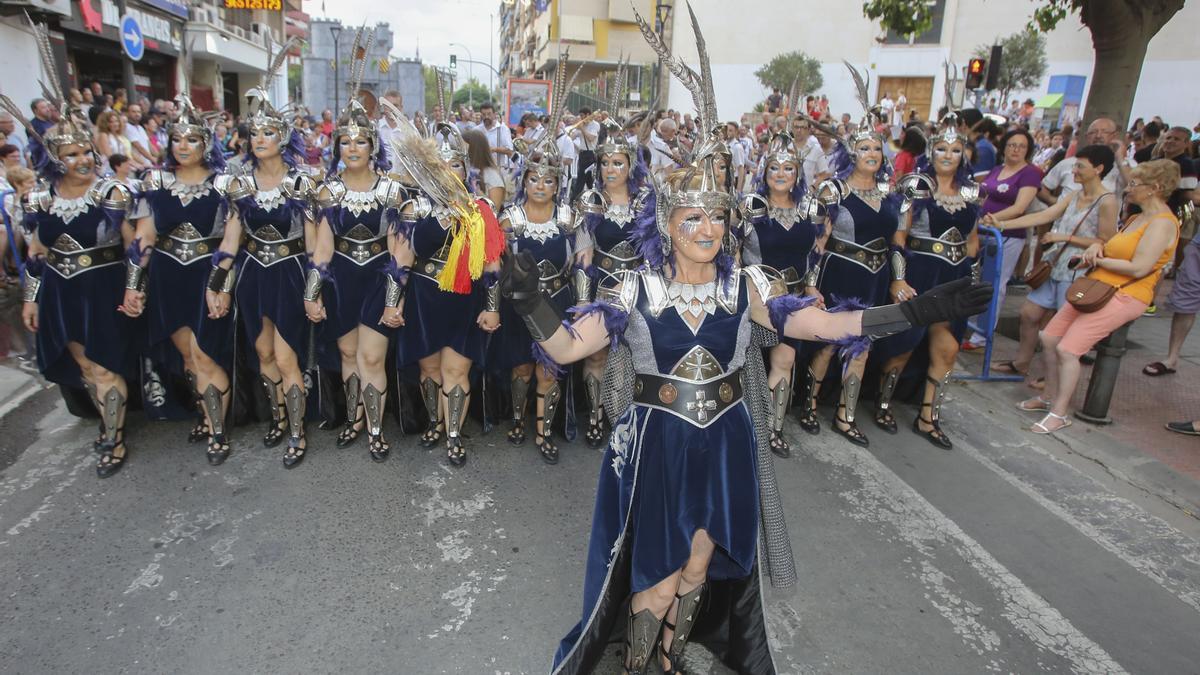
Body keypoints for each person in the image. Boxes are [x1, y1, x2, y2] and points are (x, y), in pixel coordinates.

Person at [531, 12, 992, 673]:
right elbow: (569, 347)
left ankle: (669, 653)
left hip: (724, 441)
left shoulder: (745, 286)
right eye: (692, 217)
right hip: (658, 446)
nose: (707, 228)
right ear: (666, 223)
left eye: (716, 217)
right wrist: (524, 297)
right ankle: (636, 662)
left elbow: (824, 324)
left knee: (699, 563)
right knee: (657, 573)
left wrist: (918, 309)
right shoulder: (635, 287)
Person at [16, 26, 139, 478]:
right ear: (55, 159)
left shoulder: (113, 192)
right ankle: (108, 423)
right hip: (60, 290)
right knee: (85, 364)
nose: (83, 159)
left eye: (86, 150)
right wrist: (31, 297)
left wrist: (133, 291)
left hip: (102, 287)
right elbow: (36, 251)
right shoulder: (40, 200)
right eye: (71, 154)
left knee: (105, 364)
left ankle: (114, 437)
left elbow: (134, 247)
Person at [1017, 160, 1181, 434]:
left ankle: (1059, 413)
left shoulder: (1163, 223)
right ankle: (1048, 398)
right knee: (1049, 337)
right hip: (1096, 288)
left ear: (1154, 188)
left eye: (1134, 184)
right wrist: (1094, 251)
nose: (1127, 189)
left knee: (1068, 350)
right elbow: (1111, 248)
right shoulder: (1135, 217)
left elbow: (1140, 267)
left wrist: (1099, 261)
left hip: (1125, 294)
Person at [122, 92, 240, 464]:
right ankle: (205, 416)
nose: (183, 145)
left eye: (192, 139)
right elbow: (144, 239)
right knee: (188, 356)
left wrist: (220, 285)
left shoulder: (226, 185)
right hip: (168, 278)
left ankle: (218, 429)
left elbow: (232, 240)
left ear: (207, 144)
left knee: (206, 355)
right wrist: (134, 286)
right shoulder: (154, 182)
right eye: (176, 139)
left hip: (208, 277)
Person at [389, 106, 504, 469]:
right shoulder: (413, 208)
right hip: (424, 299)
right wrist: (394, 304)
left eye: (454, 165)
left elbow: (492, 264)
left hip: (464, 300)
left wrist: (492, 305)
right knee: (429, 371)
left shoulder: (480, 209)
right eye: (439, 165)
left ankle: (454, 434)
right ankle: (435, 425)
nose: (447, 172)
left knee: (456, 372)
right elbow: (401, 260)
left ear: (465, 169)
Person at [308, 80, 409, 462]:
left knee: (371, 358)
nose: (352, 149)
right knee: (349, 355)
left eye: (360, 142)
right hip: (341, 279)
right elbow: (322, 245)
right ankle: (354, 419)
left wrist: (394, 298)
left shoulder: (391, 191)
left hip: (379, 281)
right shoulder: (328, 191)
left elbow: (400, 249)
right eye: (345, 143)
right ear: (338, 148)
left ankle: (376, 428)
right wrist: (312, 291)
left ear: (373, 147)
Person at [223, 63, 319, 468]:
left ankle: (297, 431)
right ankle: (278, 416)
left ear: (284, 137)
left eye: (268, 133)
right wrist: (218, 283)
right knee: (262, 352)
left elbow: (316, 246)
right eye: (254, 133)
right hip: (251, 274)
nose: (259, 139)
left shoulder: (303, 181)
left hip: (290, 272)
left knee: (285, 357)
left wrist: (314, 290)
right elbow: (231, 237)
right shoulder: (239, 179)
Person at [798, 66, 900, 447]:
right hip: (839, 273)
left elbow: (897, 243)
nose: (871, 153)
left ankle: (846, 414)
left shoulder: (891, 195)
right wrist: (810, 284)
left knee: (864, 345)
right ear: (851, 153)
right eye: (864, 148)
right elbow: (817, 242)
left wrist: (898, 277)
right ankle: (809, 405)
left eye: (876, 148)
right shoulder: (833, 191)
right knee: (829, 342)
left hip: (875, 276)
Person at [492, 84, 589, 464]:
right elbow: (495, 266)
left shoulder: (569, 217)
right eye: (534, 179)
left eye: (549, 181)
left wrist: (582, 305)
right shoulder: (510, 219)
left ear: (557, 184)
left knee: (549, 369)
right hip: (520, 303)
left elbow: (583, 260)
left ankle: (543, 430)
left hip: (558, 299)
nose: (541, 187)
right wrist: (495, 304)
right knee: (521, 366)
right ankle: (517, 419)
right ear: (525, 180)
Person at [872, 115, 982, 448]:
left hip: (955, 277)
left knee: (947, 348)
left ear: (964, 155)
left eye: (956, 150)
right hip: (920, 276)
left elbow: (973, 242)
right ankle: (882, 404)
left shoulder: (971, 192)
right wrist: (899, 279)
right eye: (942, 149)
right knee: (903, 346)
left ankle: (927, 416)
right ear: (931, 153)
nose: (948, 155)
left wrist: (971, 282)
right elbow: (899, 238)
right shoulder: (915, 187)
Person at [988, 145, 1119, 378]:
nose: (1074, 171)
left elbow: (1106, 242)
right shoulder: (1074, 194)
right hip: (1056, 265)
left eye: (1080, 166)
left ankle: (1051, 380)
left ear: (1099, 169)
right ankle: (1022, 363)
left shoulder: (1107, 201)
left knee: (1061, 330)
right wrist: (1003, 224)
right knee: (1029, 314)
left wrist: (1065, 237)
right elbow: (1044, 215)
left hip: (1078, 271)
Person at [738, 116, 827, 458]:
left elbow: (814, 254)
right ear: (765, 172)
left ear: (796, 175)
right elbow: (732, 255)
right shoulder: (750, 209)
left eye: (788, 169)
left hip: (792, 298)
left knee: (786, 358)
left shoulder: (809, 210)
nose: (780, 174)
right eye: (774, 168)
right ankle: (744, 424)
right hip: (755, 299)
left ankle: (773, 428)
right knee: (746, 363)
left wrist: (812, 289)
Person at [573, 72, 653, 449]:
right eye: (605, 163)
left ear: (630, 165)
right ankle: (595, 416)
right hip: (603, 287)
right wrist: (585, 301)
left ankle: (630, 417)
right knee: (598, 353)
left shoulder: (644, 202)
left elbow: (656, 250)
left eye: (618, 163)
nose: (610, 170)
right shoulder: (592, 201)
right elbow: (584, 255)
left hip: (639, 289)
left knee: (637, 355)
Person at [964, 128, 1042, 350]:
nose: (1015, 149)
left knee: (995, 285)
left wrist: (991, 219)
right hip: (982, 233)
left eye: (1021, 146)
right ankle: (973, 328)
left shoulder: (1030, 173)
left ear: (1028, 150)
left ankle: (982, 337)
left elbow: (1020, 207)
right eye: (1011, 144)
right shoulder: (997, 169)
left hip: (1006, 235)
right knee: (977, 281)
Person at [1141, 127, 1199, 375]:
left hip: (1169, 224)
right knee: (1186, 297)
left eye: (1176, 139)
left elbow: (1189, 197)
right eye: (1168, 137)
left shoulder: (1186, 164)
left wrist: (1181, 218)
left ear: (1186, 143)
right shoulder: (1159, 159)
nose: (1170, 142)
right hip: (1190, 239)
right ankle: (1172, 358)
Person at [463, 129, 507, 206]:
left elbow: (495, 209)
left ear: (474, 149)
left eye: (464, 147)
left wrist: (479, 193)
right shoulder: (464, 171)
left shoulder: (492, 176)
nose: (461, 151)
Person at [478, 101, 514, 171]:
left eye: (489, 114)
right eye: (484, 114)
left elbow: (509, 151)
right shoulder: (476, 130)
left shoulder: (503, 129)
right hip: (481, 170)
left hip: (500, 170)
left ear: (494, 114)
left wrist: (493, 149)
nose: (486, 117)